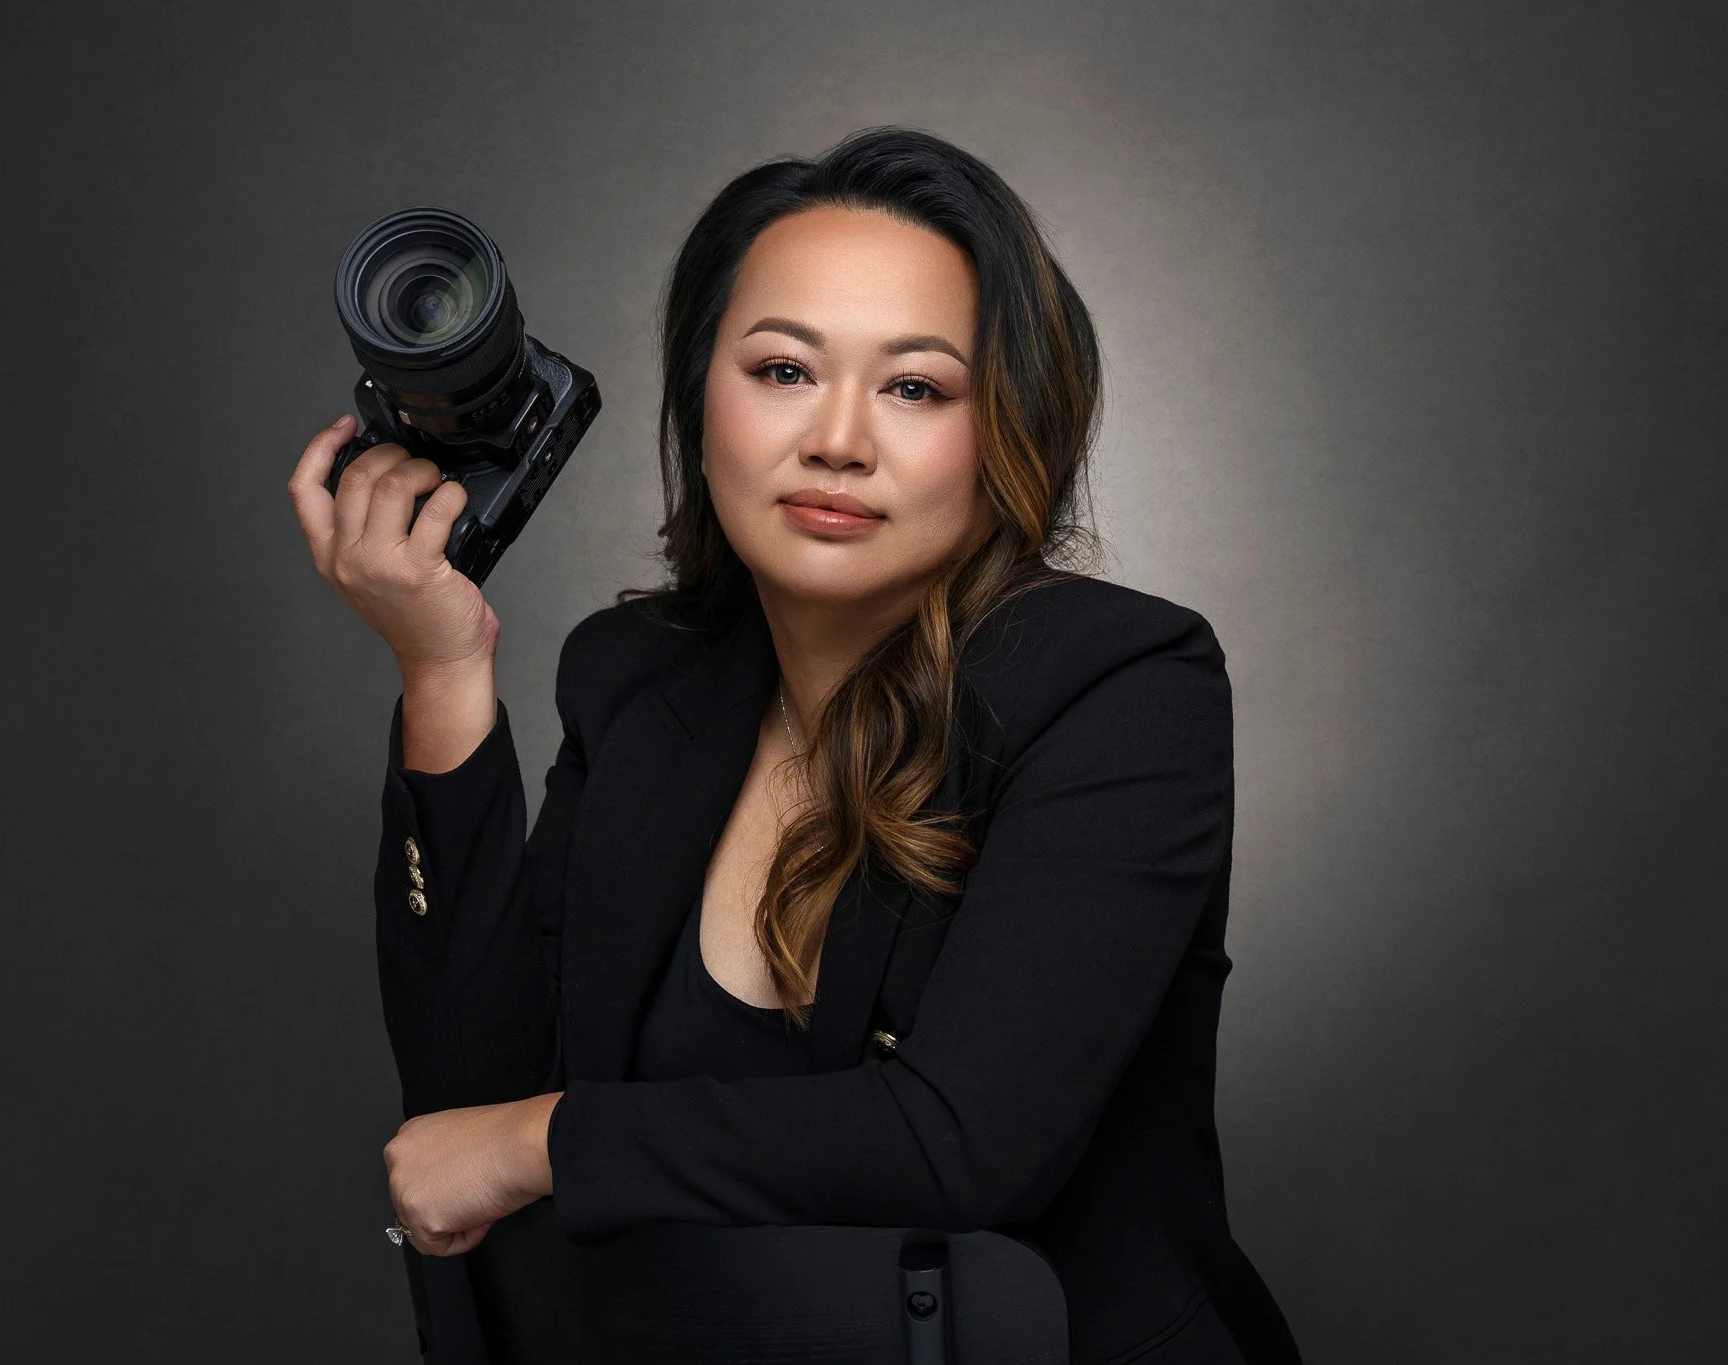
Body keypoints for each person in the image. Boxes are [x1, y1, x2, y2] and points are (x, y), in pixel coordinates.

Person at [288, 126, 1302, 1364]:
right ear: (697, 394)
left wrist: (543, 1142)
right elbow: (460, 1111)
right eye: (780, 370)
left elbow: (962, 1145)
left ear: (1006, 432)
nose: (836, 439)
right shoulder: (638, 682)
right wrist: (440, 670)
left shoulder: (1121, 688)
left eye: (916, 387)